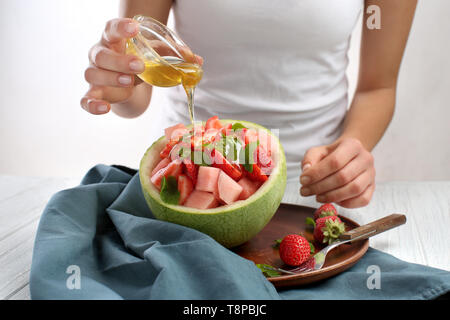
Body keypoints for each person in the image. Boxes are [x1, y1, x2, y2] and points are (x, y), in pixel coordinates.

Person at [81, 0, 417, 208]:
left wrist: (351, 151)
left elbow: (378, 88)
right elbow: (137, 87)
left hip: (312, 192)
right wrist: (119, 83)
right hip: (189, 184)